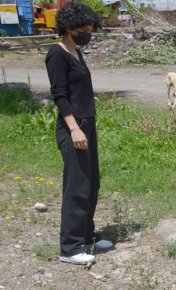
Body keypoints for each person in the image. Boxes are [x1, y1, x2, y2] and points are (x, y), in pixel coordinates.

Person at [45, 2, 112, 265]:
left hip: (87, 124)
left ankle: (87, 235)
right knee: (77, 185)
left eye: (91, 29)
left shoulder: (77, 53)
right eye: (85, 29)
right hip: (73, 127)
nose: (88, 33)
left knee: (92, 182)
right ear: (70, 28)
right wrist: (74, 129)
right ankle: (70, 247)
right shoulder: (57, 54)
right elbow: (59, 96)